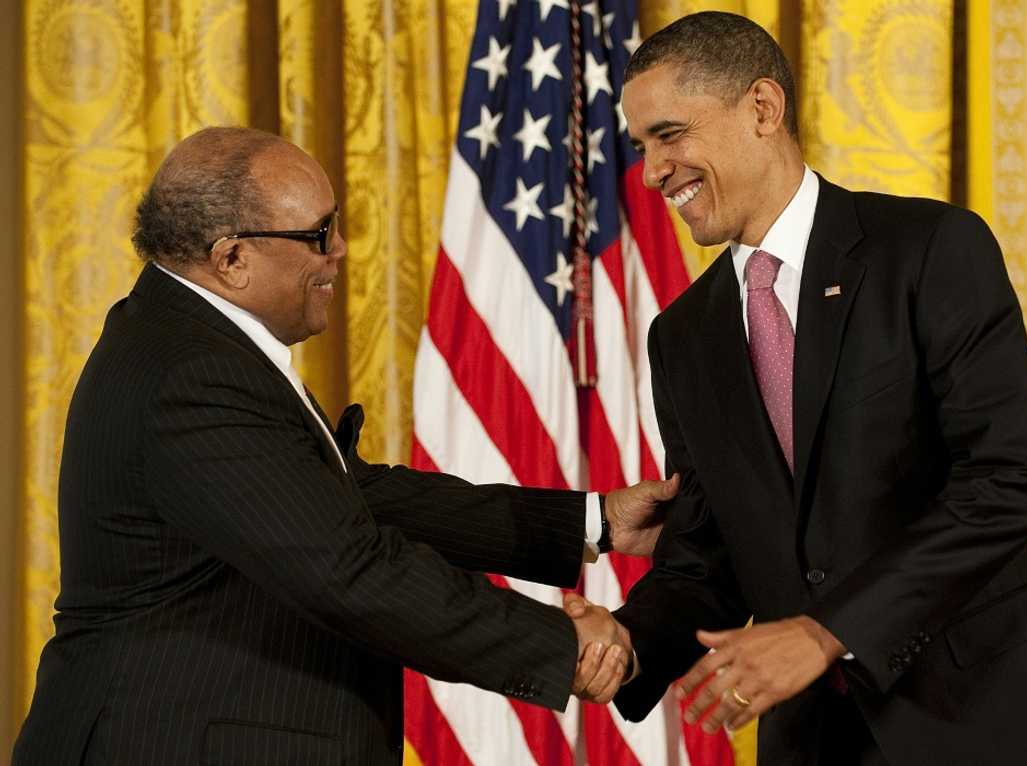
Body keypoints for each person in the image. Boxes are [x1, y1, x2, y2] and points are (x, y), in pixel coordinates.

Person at [12, 126, 670, 765]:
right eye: (318, 235)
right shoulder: (192, 373)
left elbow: (358, 498)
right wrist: (562, 647)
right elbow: (347, 569)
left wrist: (598, 520)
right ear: (230, 257)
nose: (343, 249)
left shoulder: (192, 340)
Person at [567, 11, 1027, 766]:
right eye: (642, 148)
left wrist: (828, 632)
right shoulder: (683, 336)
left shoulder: (928, 250)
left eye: (670, 135)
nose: (654, 171)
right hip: (817, 744)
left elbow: (1005, 483)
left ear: (763, 108)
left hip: (988, 718)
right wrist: (625, 641)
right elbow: (704, 557)